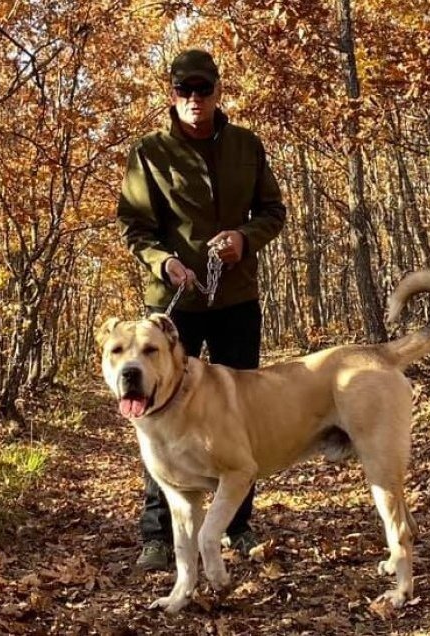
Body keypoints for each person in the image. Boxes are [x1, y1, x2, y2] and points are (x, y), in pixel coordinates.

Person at [116, 49, 287, 571]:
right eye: (185, 90)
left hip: (236, 298)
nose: (195, 99)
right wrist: (164, 262)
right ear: (172, 94)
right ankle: (158, 534)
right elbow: (135, 228)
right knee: (157, 416)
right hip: (172, 309)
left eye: (204, 90)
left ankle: (238, 525)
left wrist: (244, 237)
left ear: (217, 92)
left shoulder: (245, 145)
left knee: (240, 417)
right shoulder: (148, 152)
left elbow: (273, 211)